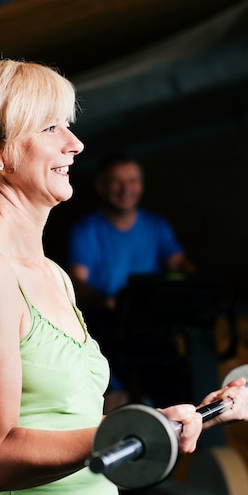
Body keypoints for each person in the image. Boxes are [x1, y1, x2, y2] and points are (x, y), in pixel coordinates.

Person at [0, 59, 248, 495]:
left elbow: (73, 420)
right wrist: (135, 428)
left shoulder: (50, 274)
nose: (74, 144)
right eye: (50, 128)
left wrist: (176, 419)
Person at [69, 153, 195, 409]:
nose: (126, 189)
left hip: (149, 326)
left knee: (175, 389)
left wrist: (194, 282)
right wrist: (104, 301)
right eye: (117, 182)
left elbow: (180, 263)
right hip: (105, 328)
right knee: (113, 396)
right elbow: (77, 283)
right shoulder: (86, 231)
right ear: (102, 187)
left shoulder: (156, 226)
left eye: (133, 181)